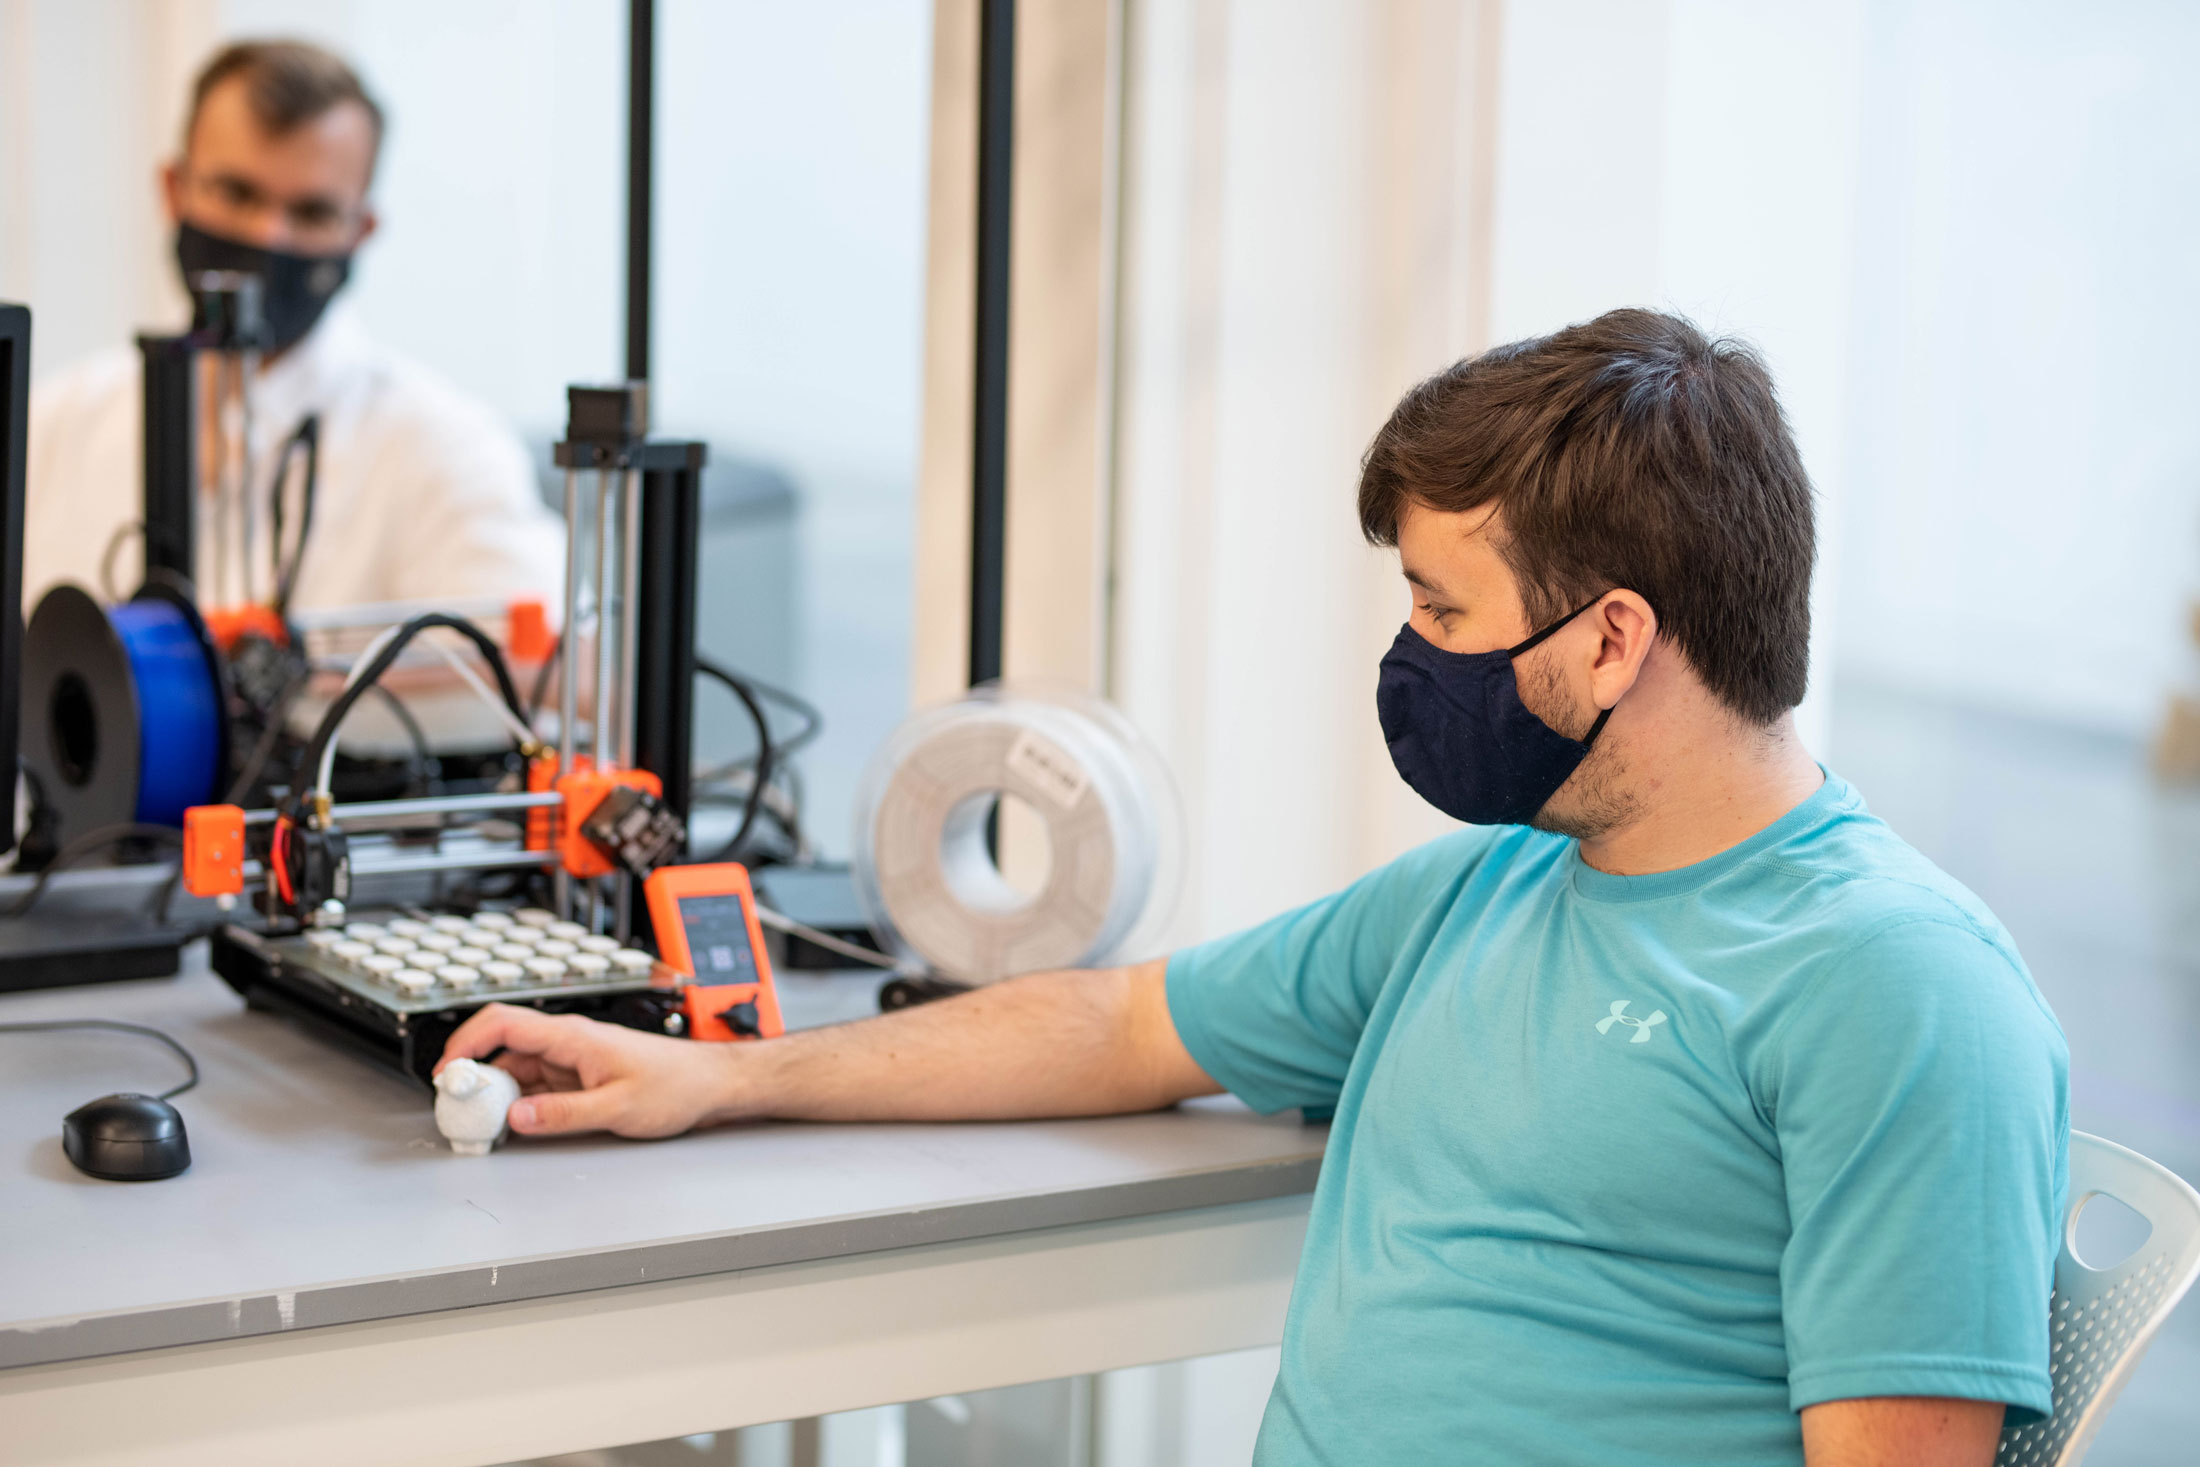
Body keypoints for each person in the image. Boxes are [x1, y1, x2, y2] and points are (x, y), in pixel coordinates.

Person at [441, 310, 2068, 1467]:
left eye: (1441, 609)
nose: (1411, 655)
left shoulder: (1897, 989)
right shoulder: (1488, 890)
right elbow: (1128, 1022)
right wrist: (725, 1076)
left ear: (1613, 638)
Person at [24, 39, 563, 615]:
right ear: (173, 189)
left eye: (311, 212)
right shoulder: (53, 425)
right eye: (236, 193)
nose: (268, 237)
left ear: (362, 229)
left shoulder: (442, 450)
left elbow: (551, 672)